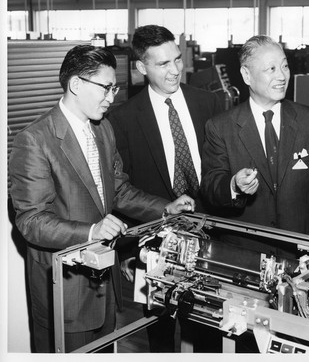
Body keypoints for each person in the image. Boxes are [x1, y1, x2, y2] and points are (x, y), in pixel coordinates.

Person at [8, 44, 194, 353]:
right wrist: (91, 232)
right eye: (105, 88)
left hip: (103, 285)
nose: (112, 97)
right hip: (65, 293)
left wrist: (165, 207)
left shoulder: (103, 129)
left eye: (115, 87)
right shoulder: (35, 140)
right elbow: (31, 221)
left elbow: (119, 190)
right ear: (76, 84)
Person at [107, 25, 222, 352]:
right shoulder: (124, 119)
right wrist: (129, 250)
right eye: (162, 64)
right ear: (142, 67)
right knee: (159, 330)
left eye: (177, 59)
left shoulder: (208, 104)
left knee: (208, 330)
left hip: (208, 231)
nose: (175, 70)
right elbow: (121, 189)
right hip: (154, 241)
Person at [200, 35, 309, 258]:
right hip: (245, 254)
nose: (282, 76)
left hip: (299, 253)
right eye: (271, 69)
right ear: (246, 75)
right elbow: (211, 186)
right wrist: (234, 184)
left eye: (284, 66)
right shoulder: (220, 127)